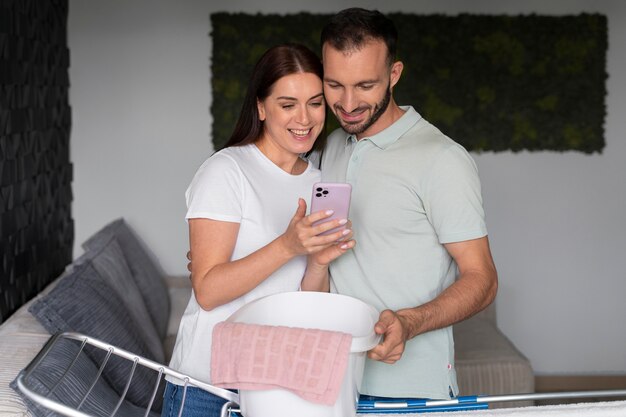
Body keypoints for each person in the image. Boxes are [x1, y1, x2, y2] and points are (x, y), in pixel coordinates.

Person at [314, 8, 498, 400]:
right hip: (333, 386)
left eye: (365, 85)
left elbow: (482, 280)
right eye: (334, 85)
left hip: (412, 390)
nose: (347, 104)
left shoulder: (442, 158)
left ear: (394, 74)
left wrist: (410, 322)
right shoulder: (332, 145)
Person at [163, 43, 355, 417]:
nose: (304, 118)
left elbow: (306, 303)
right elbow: (208, 290)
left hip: (279, 389)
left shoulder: (319, 182)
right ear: (261, 107)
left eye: (315, 103)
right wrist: (286, 246)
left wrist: (317, 261)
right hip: (209, 389)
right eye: (287, 104)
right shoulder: (226, 171)